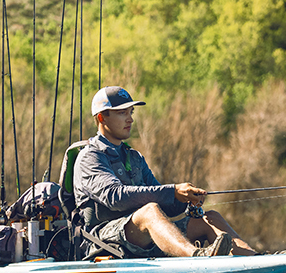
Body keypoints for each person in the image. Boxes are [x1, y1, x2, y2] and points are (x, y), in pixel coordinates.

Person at [72, 85, 257, 259]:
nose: (130, 119)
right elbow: (115, 197)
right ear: (102, 117)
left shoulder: (133, 157)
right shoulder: (90, 157)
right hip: (102, 239)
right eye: (122, 113)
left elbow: (162, 201)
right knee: (150, 211)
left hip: (144, 232)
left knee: (211, 218)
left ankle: (256, 260)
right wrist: (173, 191)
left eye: (131, 112)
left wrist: (184, 200)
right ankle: (197, 257)